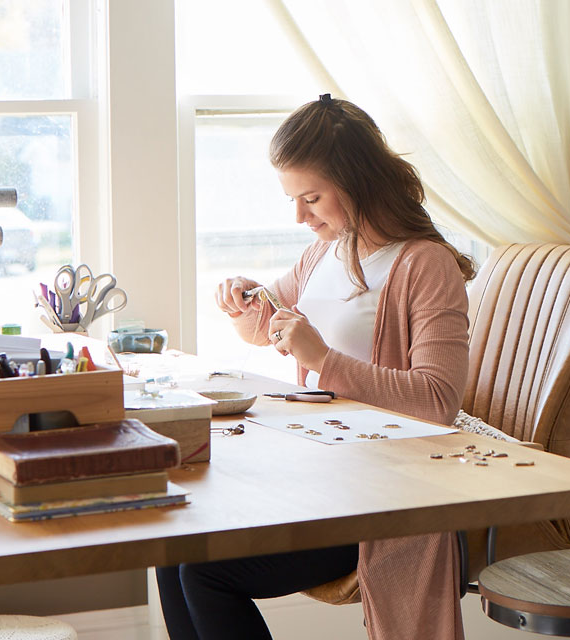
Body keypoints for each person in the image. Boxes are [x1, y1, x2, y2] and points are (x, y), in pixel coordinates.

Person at [156, 94, 476, 640]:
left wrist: (322, 360)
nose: (300, 217)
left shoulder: (425, 265)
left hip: (383, 499)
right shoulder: (326, 252)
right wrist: (245, 299)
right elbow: (268, 325)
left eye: (312, 198)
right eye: (293, 200)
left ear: (359, 182)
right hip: (319, 473)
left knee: (204, 572)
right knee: (173, 547)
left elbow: (436, 399)